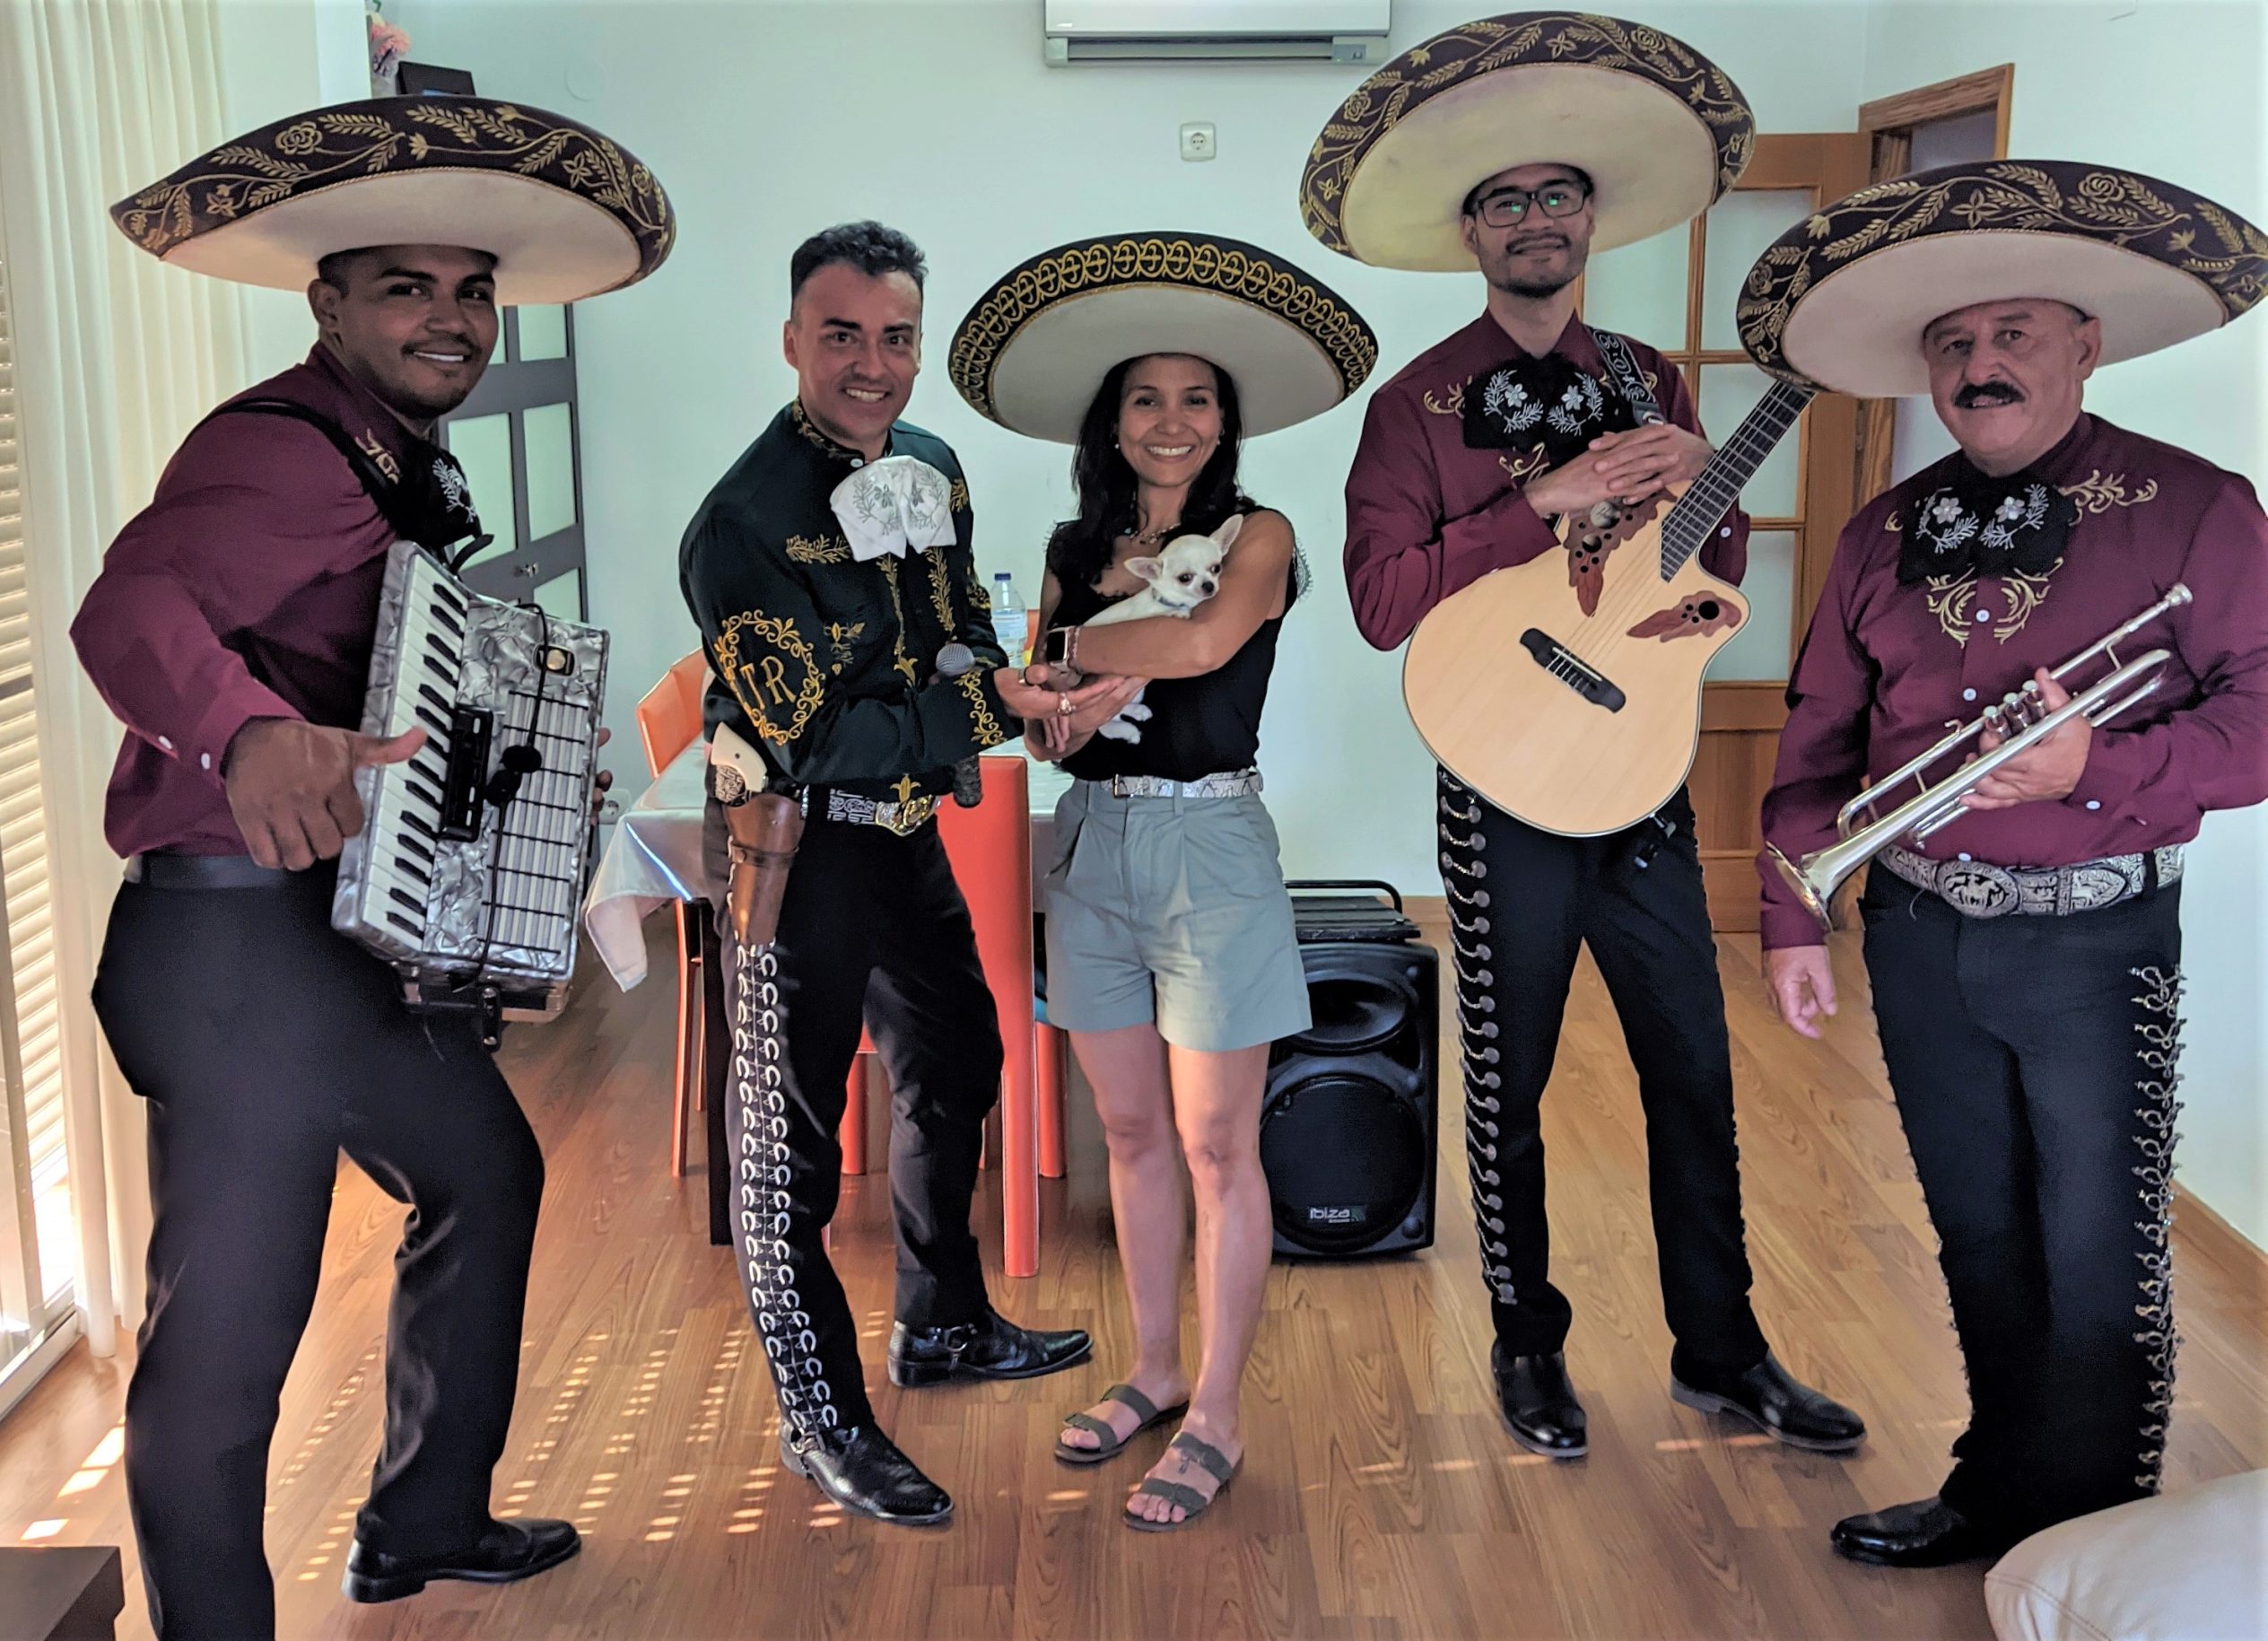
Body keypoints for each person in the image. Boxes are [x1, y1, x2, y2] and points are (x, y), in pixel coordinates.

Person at [75, 96, 672, 1637]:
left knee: (483, 1166)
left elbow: (391, 696)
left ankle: (422, 1520)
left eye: (471, 289)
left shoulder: (394, 454)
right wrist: (243, 733)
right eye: (406, 286)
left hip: (330, 943)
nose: (452, 318)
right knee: (231, 1336)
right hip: (232, 955)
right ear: (326, 303)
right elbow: (126, 611)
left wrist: (516, 784)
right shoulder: (278, 451)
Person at [1311, 12, 1863, 1461]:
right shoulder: (1415, 407)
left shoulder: (1653, 381)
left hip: (1646, 782)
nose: (1537, 218)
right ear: (1475, 228)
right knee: (1512, 1073)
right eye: (1509, 199)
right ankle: (1526, 1345)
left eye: (1560, 194)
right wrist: (1531, 509)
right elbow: (1381, 604)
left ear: (1589, 217)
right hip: (1501, 789)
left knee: (1696, 1061)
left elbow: (1703, 573)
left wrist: (1710, 500)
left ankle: (1724, 1351)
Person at [1744, 158, 2268, 1567]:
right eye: (1955, 345)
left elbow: (2265, 718)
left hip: (2097, 945)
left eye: (2014, 335)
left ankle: (2096, 1538)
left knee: (2100, 1254)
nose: (1981, 367)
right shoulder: (1879, 533)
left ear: (2084, 344)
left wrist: (2099, 766)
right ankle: (2001, 1486)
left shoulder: (2200, 510)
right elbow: (1815, 740)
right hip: (1920, 932)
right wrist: (1794, 918)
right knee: (1977, 1228)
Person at [946, 231, 1376, 1528]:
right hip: (1093, 844)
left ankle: (1221, 1413)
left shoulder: (1262, 531)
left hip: (1213, 849)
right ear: (1112, 421)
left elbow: (1199, 640)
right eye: (1147, 398)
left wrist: (1075, 641)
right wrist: (1058, 708)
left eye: (1197, 398)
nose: (1172, 420)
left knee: (1213, 1142)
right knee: (1128, 1132)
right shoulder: (1077, 538)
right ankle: (1150, 1367)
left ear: (1224, 420)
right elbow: (1036, 719)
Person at [678, 222, 1095, 1530]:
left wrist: (1005, 681)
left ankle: (944, 1324)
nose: (872, 364)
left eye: (896, 336)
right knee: (786, 1150)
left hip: (906, 832)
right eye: (843, 334)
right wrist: (980, 717)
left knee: (965, 1056)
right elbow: (808, 736)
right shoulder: (740, 525)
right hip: (792, 855)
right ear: (793, 339)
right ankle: (822, 1418)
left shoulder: (934, 461)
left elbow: (960, 617)